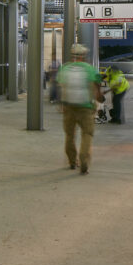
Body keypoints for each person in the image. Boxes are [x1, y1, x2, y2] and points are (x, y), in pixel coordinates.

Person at [57, 43, 103, 174]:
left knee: (70, 135)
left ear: (72, 55)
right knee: (87, 134)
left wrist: (62, 104)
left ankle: (72, 162)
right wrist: (99, 97)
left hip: (68, 106)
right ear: (83, 56)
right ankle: (84, 160)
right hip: (86, 107)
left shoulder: (64, 68)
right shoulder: (90, 69)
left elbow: (61, 87)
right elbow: (97, 89)